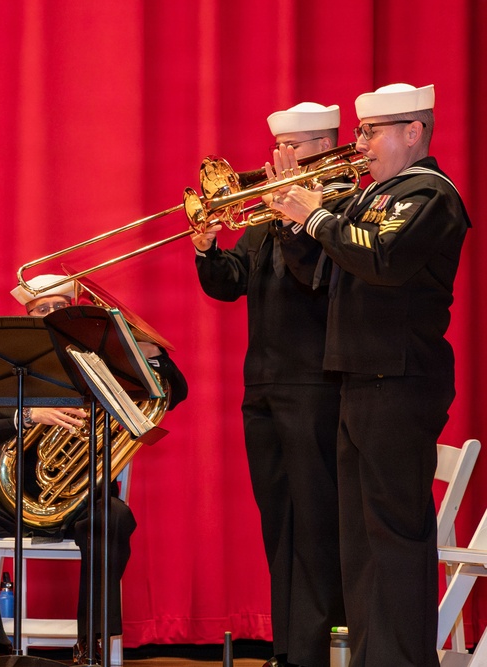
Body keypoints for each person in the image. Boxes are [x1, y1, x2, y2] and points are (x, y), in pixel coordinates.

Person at [269, 83, 470, 667]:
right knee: (358, 538)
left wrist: (320, 216)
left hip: (401, 378)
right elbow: (319, 275)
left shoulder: (429, 194)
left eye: (368, 133)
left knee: (395, 536)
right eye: (358, 132)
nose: (357, 145)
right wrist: (292, 218)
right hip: (356, 375)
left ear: (413, 132)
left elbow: (382, 260)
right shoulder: (367, 196)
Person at [0, 274, 187, 666]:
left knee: (114, 519)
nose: (48, 314)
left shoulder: (104, 362)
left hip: (85, 500)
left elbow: (174, 392)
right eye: (40, 310)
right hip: (19, 498)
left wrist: (149, 356)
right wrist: (30, 414)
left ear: (74, 309)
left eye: (57, 307)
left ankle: (90, 643)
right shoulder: (18, 366)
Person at [191, 102, 347, 667]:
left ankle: (308, 651)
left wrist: (294, 217)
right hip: (262, 384)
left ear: (327, 147)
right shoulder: (265, 215)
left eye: (295, 148)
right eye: (279, 147)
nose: (280, 159)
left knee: (313, 521)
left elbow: (317, 280)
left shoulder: (338, 209)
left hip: (314, 384)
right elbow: (230, 284)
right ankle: (289, 648)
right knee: (278, 520)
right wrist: (206, 249)